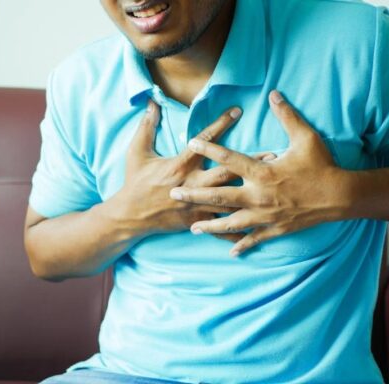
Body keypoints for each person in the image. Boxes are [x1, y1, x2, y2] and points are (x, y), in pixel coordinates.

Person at [24, 0, 389, 383]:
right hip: (123, 374)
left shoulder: (363, 40)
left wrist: (339, 194)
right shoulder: (79, 82)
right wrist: (128, 214)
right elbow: (44, 254)